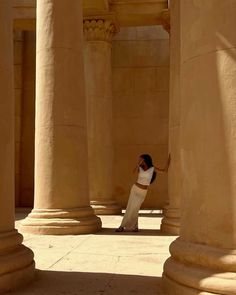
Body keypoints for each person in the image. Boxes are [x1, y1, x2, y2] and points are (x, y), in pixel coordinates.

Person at [116, 154, 170, 232]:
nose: (139, 160)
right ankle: (123, 226)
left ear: (145, 160)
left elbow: (164, 171)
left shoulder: (152, 168)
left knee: (135, 208)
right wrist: (138, 165)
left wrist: (168, 161)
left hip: (143, 192)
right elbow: (133, 172)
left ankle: (134, 226)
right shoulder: (139, 168)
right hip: (135, 190)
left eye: (140, 159)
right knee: (130, 208)